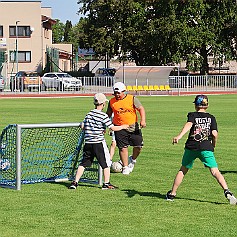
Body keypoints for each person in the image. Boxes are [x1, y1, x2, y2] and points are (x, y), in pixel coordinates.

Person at [166, 95, 237, 204]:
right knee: (215, 171)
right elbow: (214, 134)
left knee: (183, 169)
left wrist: (179, 136)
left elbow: (189, 124)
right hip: (206, 147)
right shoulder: (211, 117)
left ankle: (172, 194)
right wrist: (213, 144)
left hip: (192, 147)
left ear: (196, 105)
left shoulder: (192, 115)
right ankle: (227, 191)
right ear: (207, 105)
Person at [69, 93, 129, 190]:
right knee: (106, 163)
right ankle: (106, 183)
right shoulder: (103, 116)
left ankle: (75, 182)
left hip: (88, 143)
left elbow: (83, 126)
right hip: (98, 143)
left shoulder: (89, 114)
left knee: (83, 163)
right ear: (103, 104)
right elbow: (112, 127)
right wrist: (123, 126)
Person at [106, 82, 146, 175]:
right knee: (123, 148)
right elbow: (108, 114)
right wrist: (108, 126)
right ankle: (125, 167)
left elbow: (141, 108)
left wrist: (143, 120)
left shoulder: (132, 99)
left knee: (138, 147)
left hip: (133, 127)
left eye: (118, 93)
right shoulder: (112, 102)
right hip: (119, 127)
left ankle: (132, 159)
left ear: (124, 91)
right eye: (115, 93)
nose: (117, 95)